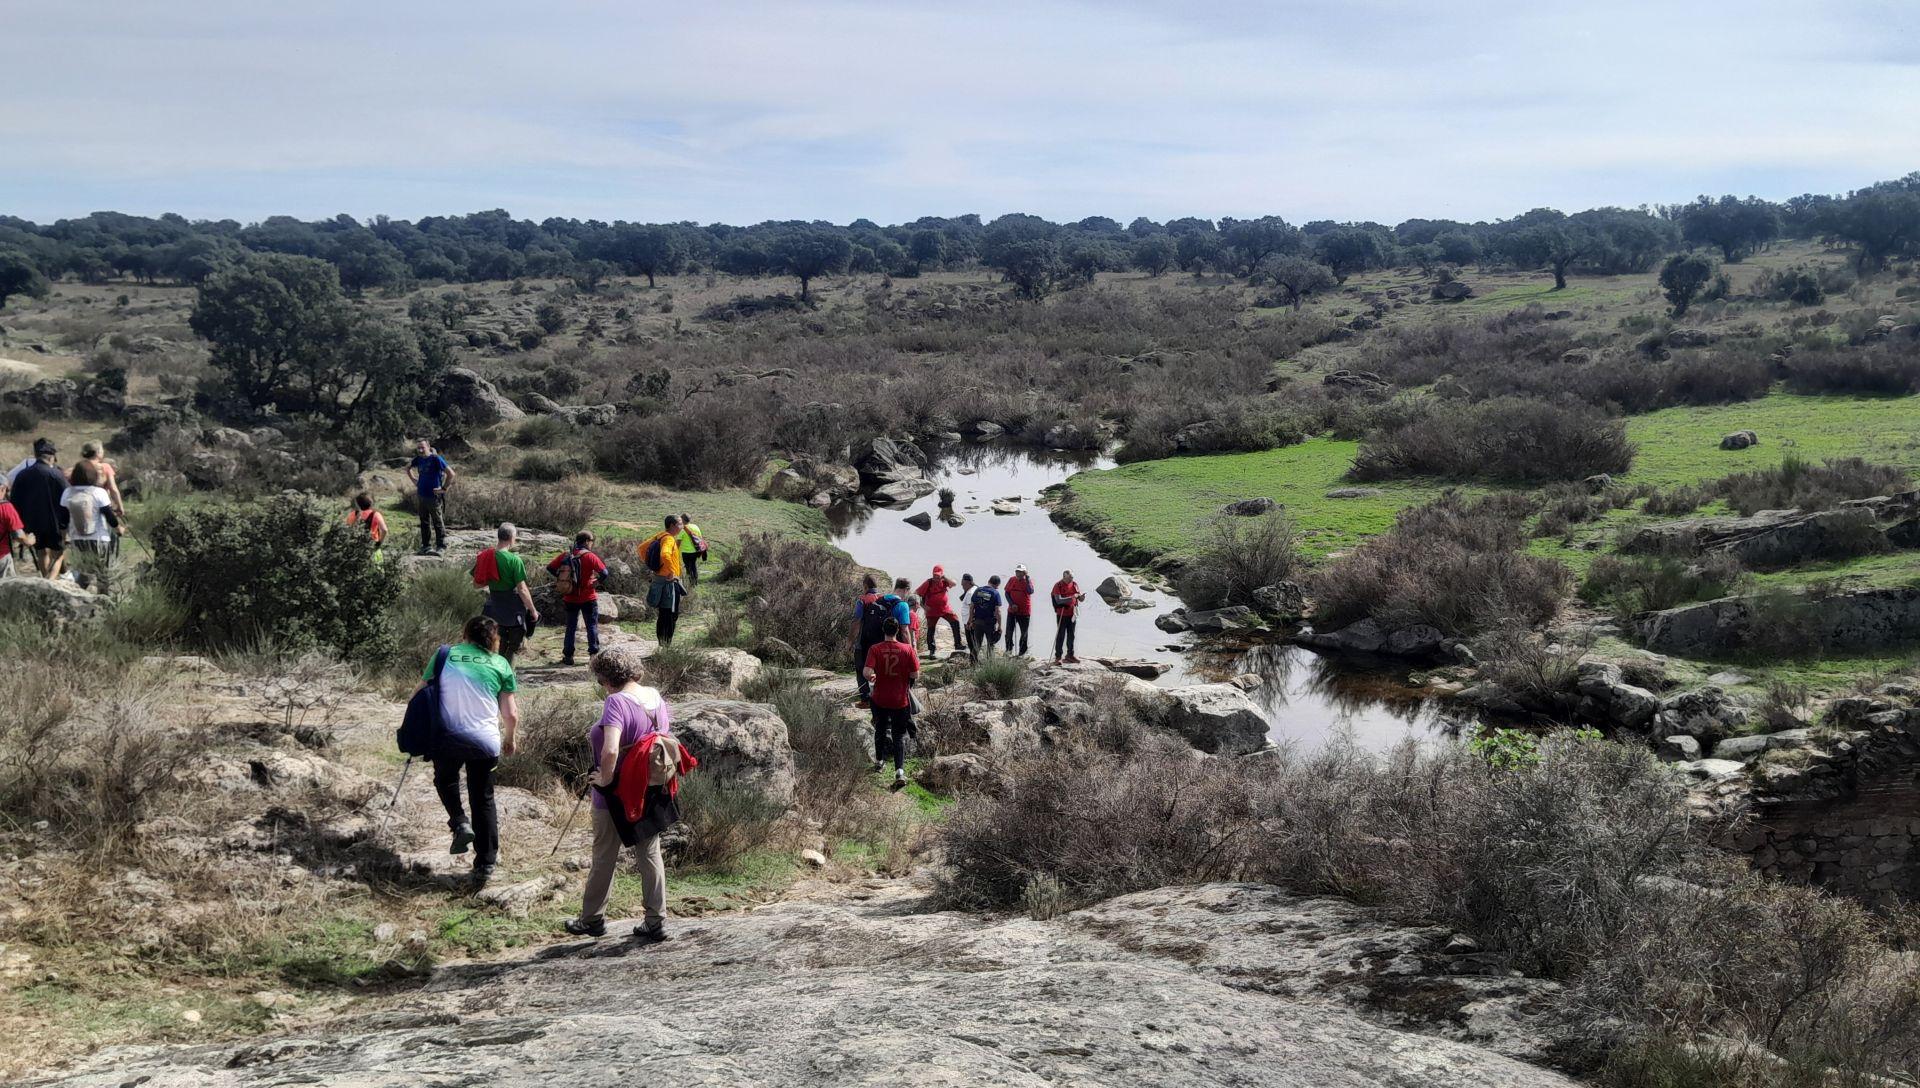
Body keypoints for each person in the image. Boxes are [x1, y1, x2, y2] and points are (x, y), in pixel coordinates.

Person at [566, 648, 673, 942]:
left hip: (615, 793)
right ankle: (655, 920)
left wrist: (604, 778)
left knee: (604, 855)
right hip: (648, 788)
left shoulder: (616, 701)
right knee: (649, 853)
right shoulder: (655, 697)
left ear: (605, 677)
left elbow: (611, 749)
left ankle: (592, 919)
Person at [420, 615, 519, 889]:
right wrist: (510, 739)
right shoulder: (500, 664)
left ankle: (459, 822)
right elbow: (510, 714)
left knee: (445, 779)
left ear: (465, 634)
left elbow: (420, 692)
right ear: (494, 638)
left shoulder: (444, 655)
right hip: (485, 741)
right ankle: (485, 864)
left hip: (447, 736)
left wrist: (416, 729)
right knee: (483, 798)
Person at [862, 618, 920, 791]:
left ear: (883, 630)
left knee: (879, 730)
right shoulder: (907, 649)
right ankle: (899, 771)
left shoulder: (875, 649)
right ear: (897, 631)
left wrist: (873, 676)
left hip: (879, 698)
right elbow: (915, 674)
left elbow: (866, 672)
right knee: (898, 736)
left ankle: (879, 762)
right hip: (900, 700)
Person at [473, 523, 538, 660]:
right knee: (513, 647)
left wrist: (494, 580)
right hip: (513, 610)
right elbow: (522, 589)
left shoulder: (484, 556)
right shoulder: (514, 560)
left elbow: (476, 584)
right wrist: (533, 610)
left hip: (493, 608)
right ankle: (507, 671)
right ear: (511, 538)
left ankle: (496, 669)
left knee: (496, 646)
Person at [547, 530, 609, 666]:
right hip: (588, 597)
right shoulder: (590, 556)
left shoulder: (566, 555)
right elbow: (604, 572)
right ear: (586, 541)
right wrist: (596, 582)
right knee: (591, 626)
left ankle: (568, 656)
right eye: (591, 541)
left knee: (571, 627)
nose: (592, 544)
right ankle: (593, 655)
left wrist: (563, 579)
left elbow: (550, 567)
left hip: (570, 597)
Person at [10, 439, 69, 579]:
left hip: (32, 521)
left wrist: (21, 524)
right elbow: (67, 499)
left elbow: (14, 501)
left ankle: (45, 578)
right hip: (54, 522)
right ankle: (51, 581)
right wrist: (66, 524)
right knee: (59, 553)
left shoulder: (23, 475)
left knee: (41, 552)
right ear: (51, 457)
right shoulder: (57, 475)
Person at [642, 514, 687, 646]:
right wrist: (671, 571)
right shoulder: (669, 539)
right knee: (670, 615)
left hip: (658, 580)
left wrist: (654, 566)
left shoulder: (660, 536)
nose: (682, 526)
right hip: (669, 583)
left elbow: (641, 548)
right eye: (680, 524)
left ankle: (662, 644)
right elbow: (665, 554)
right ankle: (666, 646)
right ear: (672, 525)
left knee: (663, 614)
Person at [407, 438, 454, 556]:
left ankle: (441, 547)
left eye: (422, 447)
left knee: (437, 522)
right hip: (421, 495)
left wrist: (444, 489)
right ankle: (426, 546)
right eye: (418, 448)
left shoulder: (436, 459)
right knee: (424, 522)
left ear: (428, 447)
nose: (420, 450)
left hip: (434, 497)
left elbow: (451, 474)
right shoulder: (418, 459)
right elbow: (407, 468)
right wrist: (414, 480)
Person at [58, 475, 121, 559]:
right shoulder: (99, 492)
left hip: (76, 539)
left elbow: (63, 519)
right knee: (100, 565)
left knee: (82, 565)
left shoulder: (68, 492)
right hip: (99, 538)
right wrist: (118, 529)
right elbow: (109, 515)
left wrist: (64, 537)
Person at [915, 565, 962, 657]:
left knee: (955, 621)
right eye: (934, 575)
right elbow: (916, 594)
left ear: (941, 575)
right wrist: (924, 606)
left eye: (938, 575)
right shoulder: (928, 583)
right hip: (932, 611)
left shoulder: (945, 581)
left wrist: (945, 578)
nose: (936, 577)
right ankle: (932, 651)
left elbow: (954, 584)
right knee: (931, 629)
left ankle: (958, 644)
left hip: (945, 609)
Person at [76, 441, 125, 519]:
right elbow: (113, 489)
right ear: (97, 453)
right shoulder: (105, 467)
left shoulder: (79, 467)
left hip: (80, 505)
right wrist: (120, 506)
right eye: (102, 450)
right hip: (101, 505)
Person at [966, 575, 1004, 663]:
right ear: (997, 585)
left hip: (977, 622)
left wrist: (970, 621)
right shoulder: (995, 593)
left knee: (977, 644)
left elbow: (971, 607)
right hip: (989, 623)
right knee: (990, 645)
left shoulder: (978, 590)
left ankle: (973, 663)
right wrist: (1000, 626)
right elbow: (998, 611)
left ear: (989, 581)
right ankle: (990, 664)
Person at [1051, 569, 1086, 664]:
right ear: (1064, 577)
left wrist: (1082, 597)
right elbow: (1058, 600)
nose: (1071, 579)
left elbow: (1079, 598)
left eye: (1072, 577)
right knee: (1061, 635)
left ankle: (1070, 655)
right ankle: (1058, 657)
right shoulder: (1058, 585)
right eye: (1070, 577)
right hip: (1062, 614)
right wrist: (1072, 597)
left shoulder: (1074, 584)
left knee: (1071, 635)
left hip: (1072, 614)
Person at [0, 477, 32, 578]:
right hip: (2, 556)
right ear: (2, 489)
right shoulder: (6, 507)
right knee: (5, 586)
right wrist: (29, 540)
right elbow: (19, 536)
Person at [1003, 564, 1036, 656]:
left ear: (1024, 573)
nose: (1018, 573)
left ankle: (1022, 652)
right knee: (1009, 632)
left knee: (1024, 633)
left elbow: (1030, 591)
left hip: (1024, 612)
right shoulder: (1012, 579)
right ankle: (1008, 649)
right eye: (1017, 571)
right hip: (1012, 611)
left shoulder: (1028, 581)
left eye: (1020, 572)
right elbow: (1007, 593)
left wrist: (1027, 578)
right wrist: (1012, 604)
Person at [345, 492, 388, 557]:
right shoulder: (376, 514)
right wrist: (379, 543)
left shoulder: (352, 514)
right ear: (370, 503)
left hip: (356, 547)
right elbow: (384, 530)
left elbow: (348, 529)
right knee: (377, 563)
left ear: (358, 504)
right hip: (372, 546)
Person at [675, 511, 708, 588]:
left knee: (688, 568)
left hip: (686, 552)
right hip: (695, 551)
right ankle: (695, 582)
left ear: (682, 520)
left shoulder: (682, 529)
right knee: (693, 565)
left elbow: (678, 543)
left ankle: (690, 584)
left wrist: (675, 552)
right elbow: (700, 538)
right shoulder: (695, 527)